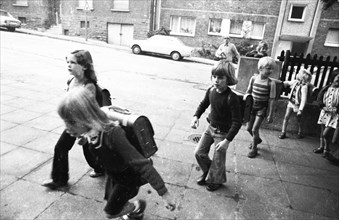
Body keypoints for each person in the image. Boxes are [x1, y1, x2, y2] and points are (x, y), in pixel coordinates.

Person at [57, 87, 176, 219]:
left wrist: (164, 193)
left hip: (126, 179)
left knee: (110, 212)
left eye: (72, 122)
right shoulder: (91, 131)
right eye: (65, 121)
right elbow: (95, 141)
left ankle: (137, 207)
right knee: (112, 202)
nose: (67, 128)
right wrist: (85, 139)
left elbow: (142, 164)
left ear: (87, 117)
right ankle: (133, 213)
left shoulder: (113, 135)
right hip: (113, 175)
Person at [42, 50, 105, 190]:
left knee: (89, 150)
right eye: (68, 62)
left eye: (73, 62)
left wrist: (84, 133)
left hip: (86, 124)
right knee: (61, 148)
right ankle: (59, 180)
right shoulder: (71, 80)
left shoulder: (89, 86)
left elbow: (88, 111)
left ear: (84, 66)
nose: (69, 65)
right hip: (73, 123)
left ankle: (101, 168)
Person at [190, 60, 242, 192]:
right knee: (199, 153)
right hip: (210, 128)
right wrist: (196, 117)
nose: (216, 80)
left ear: (228, 79)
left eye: (220, 77)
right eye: (214, 76)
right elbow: (203, 104)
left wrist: (227, 141)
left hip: (223, 133)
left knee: (218, 160)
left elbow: (237, 122)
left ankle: (216, 180)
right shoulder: (211, 90)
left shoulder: (232, 97)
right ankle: (208, 172)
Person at [245, 57, 277, 158]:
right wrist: (245, 104)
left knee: (255, 129)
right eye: (268, 68)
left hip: (261, 108)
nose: (270, 71)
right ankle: (257, 140)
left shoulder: (271, 83)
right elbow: (248, 92)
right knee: (248, 128)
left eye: (272, 69)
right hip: (252, 107)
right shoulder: (253, 79)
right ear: (260, 68)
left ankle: (254, 149)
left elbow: (271, 100)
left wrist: (270, 114)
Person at [278, 68, 313, 139]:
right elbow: (289, 82)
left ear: (302, 77)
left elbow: (303, 99)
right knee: (286, 117)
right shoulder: (296, 82)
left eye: (299, 74)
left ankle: (300, 132)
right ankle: (283, 132)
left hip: (298, 105)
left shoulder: (304, 87)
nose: (297, 74)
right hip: (291, 102)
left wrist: (300, 109)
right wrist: (283, 83)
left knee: (299, 119)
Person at [313, 69, 339, 159]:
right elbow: (319, 98)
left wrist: (337, 109)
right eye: (337, 79)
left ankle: (327, 149)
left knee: (326, 133)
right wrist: (322, 106)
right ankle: (322, 147)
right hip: (324, 112)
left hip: (335, 115)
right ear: (333, 78)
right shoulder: (326, 88)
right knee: (322, 131)